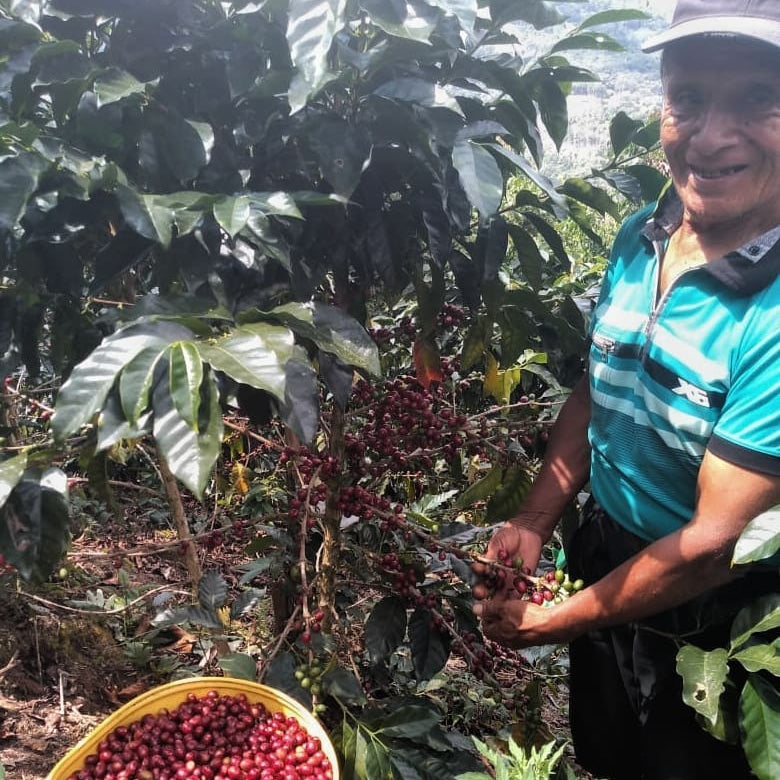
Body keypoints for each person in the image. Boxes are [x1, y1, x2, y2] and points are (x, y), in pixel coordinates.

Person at [472, 1, 780, 778]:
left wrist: (554, 622)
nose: (712, 136)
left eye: (758, 100)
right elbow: (599, 386)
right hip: (609, 551)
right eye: (689, 99)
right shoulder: (645, 232)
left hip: (720, 608)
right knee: (610, 749)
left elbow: (713, 545)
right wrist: (538, 519)